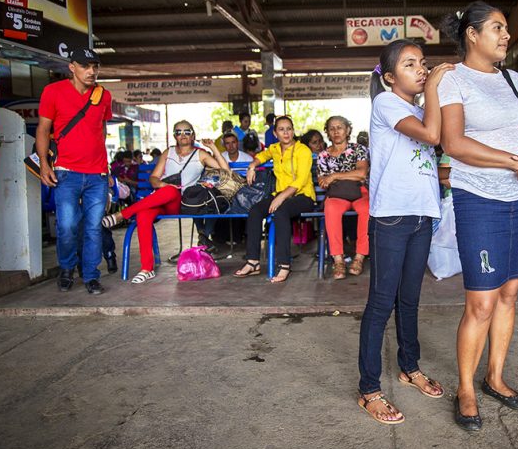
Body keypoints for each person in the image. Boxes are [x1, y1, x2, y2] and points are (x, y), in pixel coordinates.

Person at [437, 1, 518, 432]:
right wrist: (515, 161)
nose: (506, 36)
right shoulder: (453, 80)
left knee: (510, 292)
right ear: (472, 34)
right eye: (498, 28)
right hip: (479, 198)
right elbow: (453, 143)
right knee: (482, 301)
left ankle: (495, 377)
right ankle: (465, 388)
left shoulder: (514, 79)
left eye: (506, 29)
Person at [356, 39, 452, 425]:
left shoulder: (417, 107)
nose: (422, 68)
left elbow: (441, 142)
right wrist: (434, 86)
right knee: (381, 303)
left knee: (409, 299)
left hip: (421, 215)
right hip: (392, 217)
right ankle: (368, 390)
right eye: (411, 65)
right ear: (391, 77)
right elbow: (431, 135)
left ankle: (409, 367)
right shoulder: (386, 103)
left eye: (423, 63)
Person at [101, 121, 228, 284]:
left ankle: (121, 215)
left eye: (187, 131)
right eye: (179, 131)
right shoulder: (168, 153)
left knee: (171, 191)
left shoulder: (200, 154)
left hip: (182, 203)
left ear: (193, 135)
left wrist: (213, 147)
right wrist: (162, 184)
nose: (183, 134)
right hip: (160, 201)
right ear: (174, 135)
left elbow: (225, 171)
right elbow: (154, 178)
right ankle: (147, 269)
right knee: (143, 215)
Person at [36, 48, 113, 295]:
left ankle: (91, 276)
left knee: (92, 228)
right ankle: (67, 268)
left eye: (95, 66)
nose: (91, 72)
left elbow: (101, 132)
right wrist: (44, 165)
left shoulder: (103, 95)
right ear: (72, 67)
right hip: (66, 172)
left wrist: (106, 169)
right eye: (85, 66)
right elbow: (42, 129)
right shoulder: (53, 91)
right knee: (67, 226)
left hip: (97, 175)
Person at [234, 116, 315, 283]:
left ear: (293, 130)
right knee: (255, 211)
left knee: (281, 211)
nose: (286, 133)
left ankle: (284, 264)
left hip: (302, 196)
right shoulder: (275, 149)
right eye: (281, 129)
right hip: (279, 195)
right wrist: (252, 166)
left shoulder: (303, 151)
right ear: (275, 132)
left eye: (289, 129)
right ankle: (253, 262)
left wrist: (281, 198)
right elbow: (262, 156)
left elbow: (300, 181)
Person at [317, 116, 369, 280]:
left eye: (340, 127)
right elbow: (323, 182)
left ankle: (359, 257)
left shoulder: (359, 149)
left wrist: (334, 176)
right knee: (330, 208)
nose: (336, 131)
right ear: (327, 132)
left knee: (367, 209)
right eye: (332, 128)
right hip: (338, 194)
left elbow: (361, 174)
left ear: (347, 130)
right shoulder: (323, 155)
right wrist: (342, 177)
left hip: (360, 192)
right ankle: (338, 260)